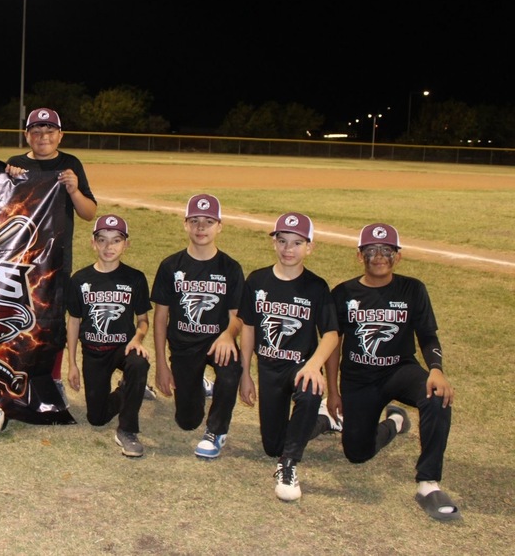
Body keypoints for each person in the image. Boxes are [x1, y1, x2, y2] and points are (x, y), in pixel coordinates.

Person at [328, 223, 459, 521]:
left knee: (437, 396)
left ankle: (428, 483)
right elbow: (333, 344)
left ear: (398, 256)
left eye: (386, 250)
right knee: (356, 454)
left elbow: (427, 335)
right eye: (371, 250)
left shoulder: (412, 289)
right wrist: (333, 390)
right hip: (359, 379)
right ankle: (395, 422)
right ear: (359, 255)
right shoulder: (344, 293)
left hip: (399, 370)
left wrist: (436, 370)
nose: (378, 256)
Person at [237, 213, 340, 501]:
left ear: (310, 247)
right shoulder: (257, 280)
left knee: (310, 388)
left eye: (297, 243)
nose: (288, 249)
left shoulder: (316, 286)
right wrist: (245, 374)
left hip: (299, 366)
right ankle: (323, 421)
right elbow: (248, 328)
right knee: (272, 446)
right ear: (274, 243)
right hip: (269, 369)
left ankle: (289, 464)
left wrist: (314, 366)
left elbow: (331, 334)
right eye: (282, 241)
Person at [7, 108, 98, 392]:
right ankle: (18, 374)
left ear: (60, 135)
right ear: (27, 135)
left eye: (49, 131)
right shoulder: (16, 163)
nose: (43, 137)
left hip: (56, 257)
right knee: (18, 316)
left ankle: (54, 378)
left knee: (54, 319)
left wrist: (74, 190)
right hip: (20, 258)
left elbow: (89, 213)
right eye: (36, 131)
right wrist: (9, 177)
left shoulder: (70, 163)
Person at [151, 194, 244, 459]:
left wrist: (228, 335)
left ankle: (216, 431)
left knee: (230, 372)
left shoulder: (230, 268)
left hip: (218, 343)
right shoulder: (171, 266)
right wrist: (162, 365)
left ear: (220, 226)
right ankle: (197, 382)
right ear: (185, 224)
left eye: (208, 221)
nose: (201, 227)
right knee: (187, 421)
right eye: (194, 221)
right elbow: (160, 318)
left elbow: (237, 316)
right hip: (183, 346)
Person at [66, 215, 152, 457]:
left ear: (126, 244)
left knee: (139, 362)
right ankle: (129, 389)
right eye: (102, 239)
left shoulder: (135, 278)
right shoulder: (80, 279)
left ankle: (127, 430)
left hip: (124, 348)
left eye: (116, 240)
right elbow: (73, 322)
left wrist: (137, 338)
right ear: (93, 243)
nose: (108, 246)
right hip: (94, 352)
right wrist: (72, 364)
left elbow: (143, 320)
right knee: (97, 418)